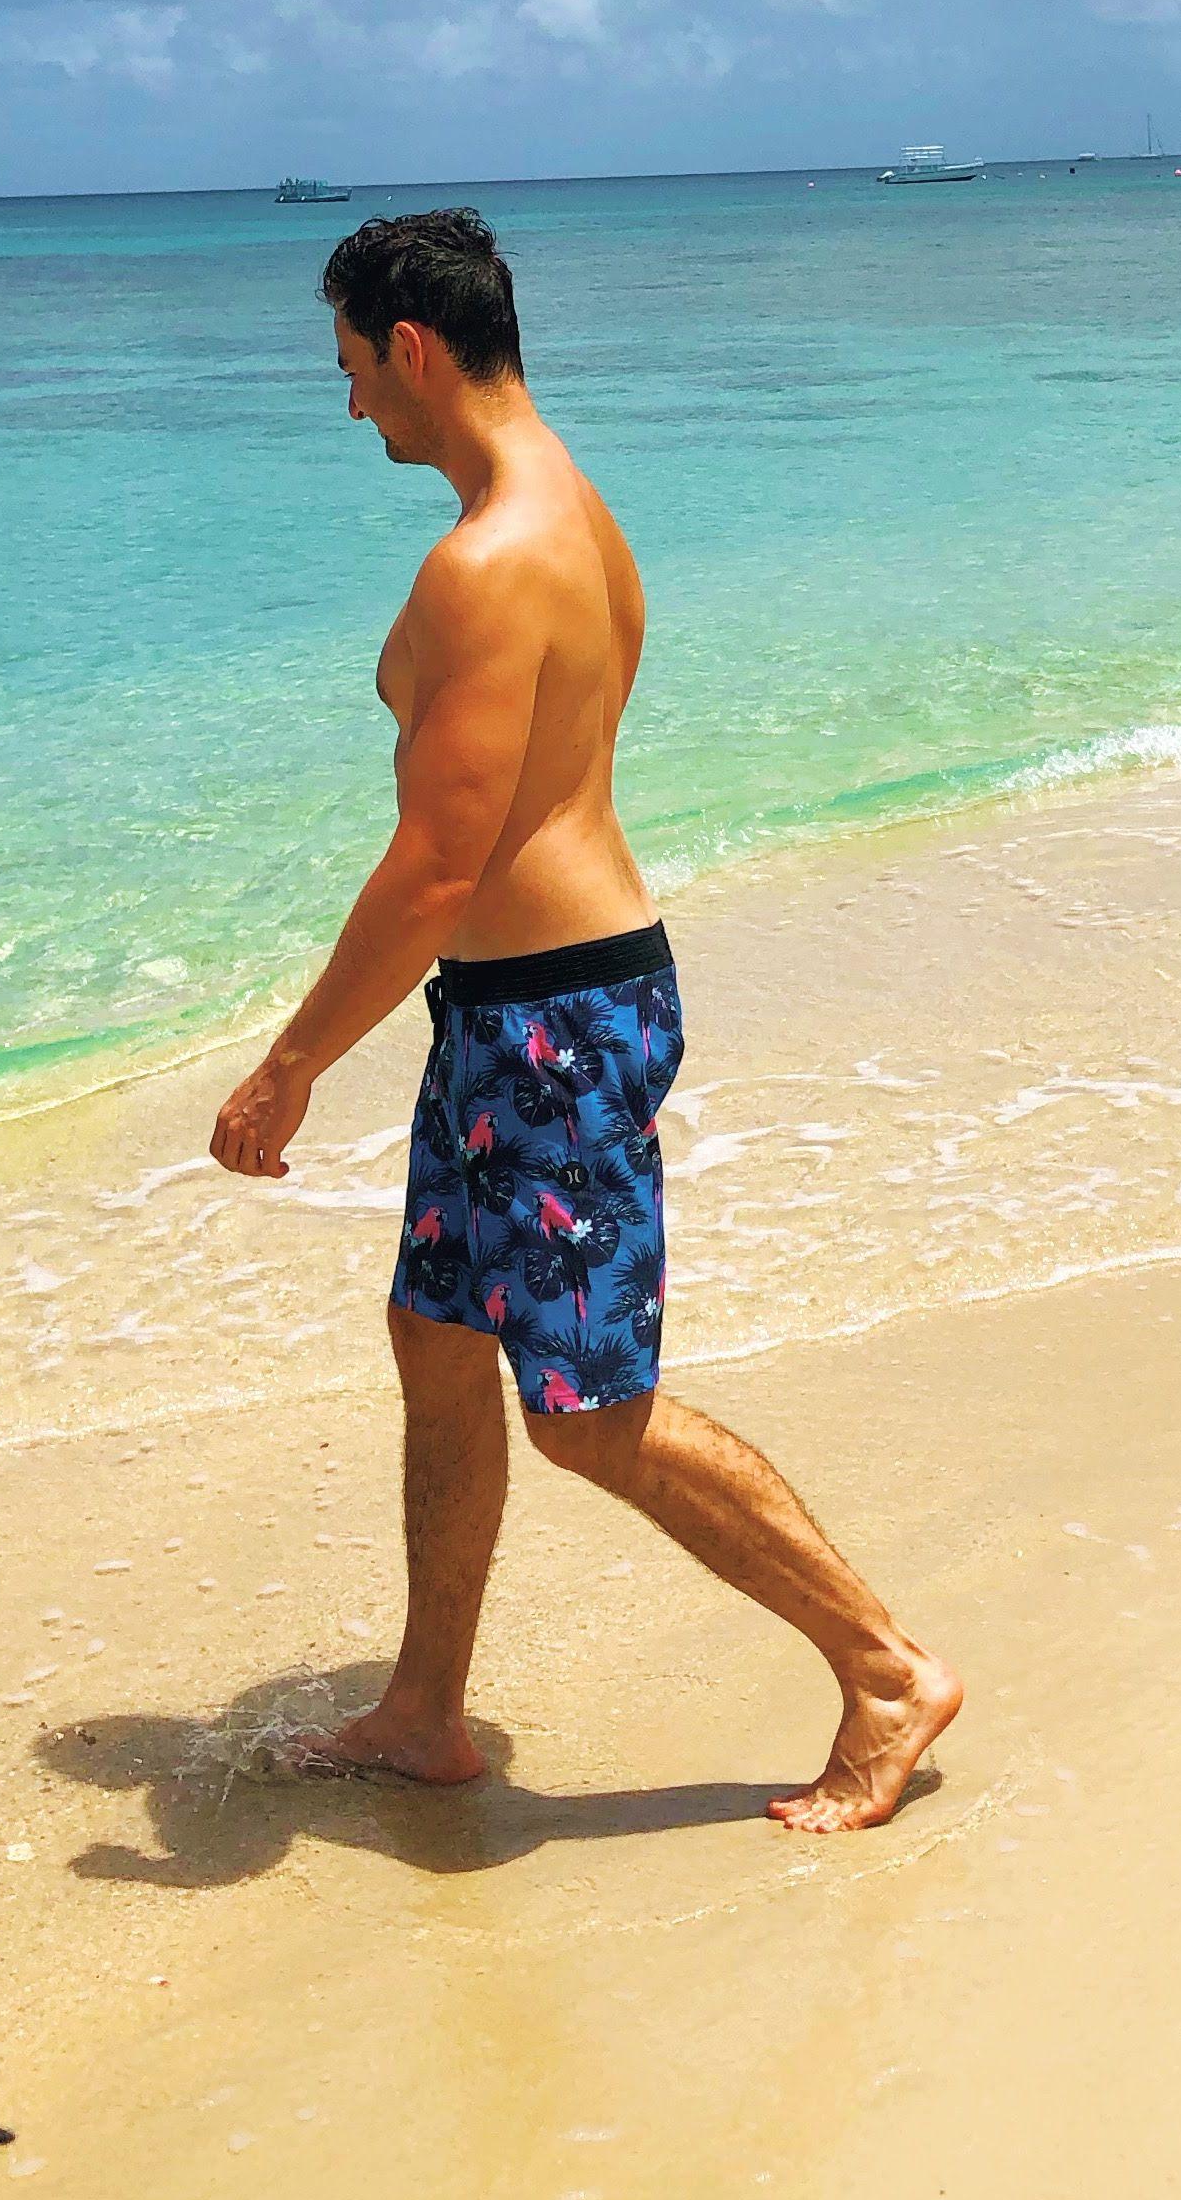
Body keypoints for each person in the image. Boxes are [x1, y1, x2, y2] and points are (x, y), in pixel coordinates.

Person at [208, 206, 962, 1833]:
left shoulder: (488, 562)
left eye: (351, 367)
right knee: (436, 1340)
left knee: (594, 1419)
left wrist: (290, 1066)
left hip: (551, 1030)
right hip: (517, 1012)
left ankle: (886, 1669)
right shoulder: (575, 513)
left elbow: (438, 865)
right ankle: (427, 1709)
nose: (350, 403)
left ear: (413, 348)